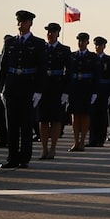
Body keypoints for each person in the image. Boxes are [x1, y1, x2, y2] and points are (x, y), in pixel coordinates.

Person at [0, 10, 47, 169]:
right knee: (11, 125)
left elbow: (42, 68)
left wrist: (39, 90)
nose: (21, 24)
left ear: (30, 23)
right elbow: (3, 67)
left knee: (26, 125)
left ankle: (24, 157)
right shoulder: (10, 42)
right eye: (19, 22)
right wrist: (1, 88)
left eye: (24, 22)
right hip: (12, 87)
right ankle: (12, 157)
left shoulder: (38, 43)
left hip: (28, 88)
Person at [38, 22, 71, 159]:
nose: (50, 34)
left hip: (57, 87)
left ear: (58, 33)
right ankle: (44, 148)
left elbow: (69, 72)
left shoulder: (64, 50)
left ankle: (53, 148)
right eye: (48, 32)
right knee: (43, 119)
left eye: (53, 32)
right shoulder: (41, 48)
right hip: (44, 87)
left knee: (56, 120)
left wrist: (66, 91)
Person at [66, 32, 99, 152]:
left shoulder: (93, 57)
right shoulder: (72, 56)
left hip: (87, 88)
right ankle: (75, 141)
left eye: (83, 41)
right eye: (79, 41)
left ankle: (82, 141)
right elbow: (68, 73)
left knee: (85, 115)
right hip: (75, 88)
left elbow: (96, 75)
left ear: (87, 42)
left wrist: (95, 91)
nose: (81, 43)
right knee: (75, 116)